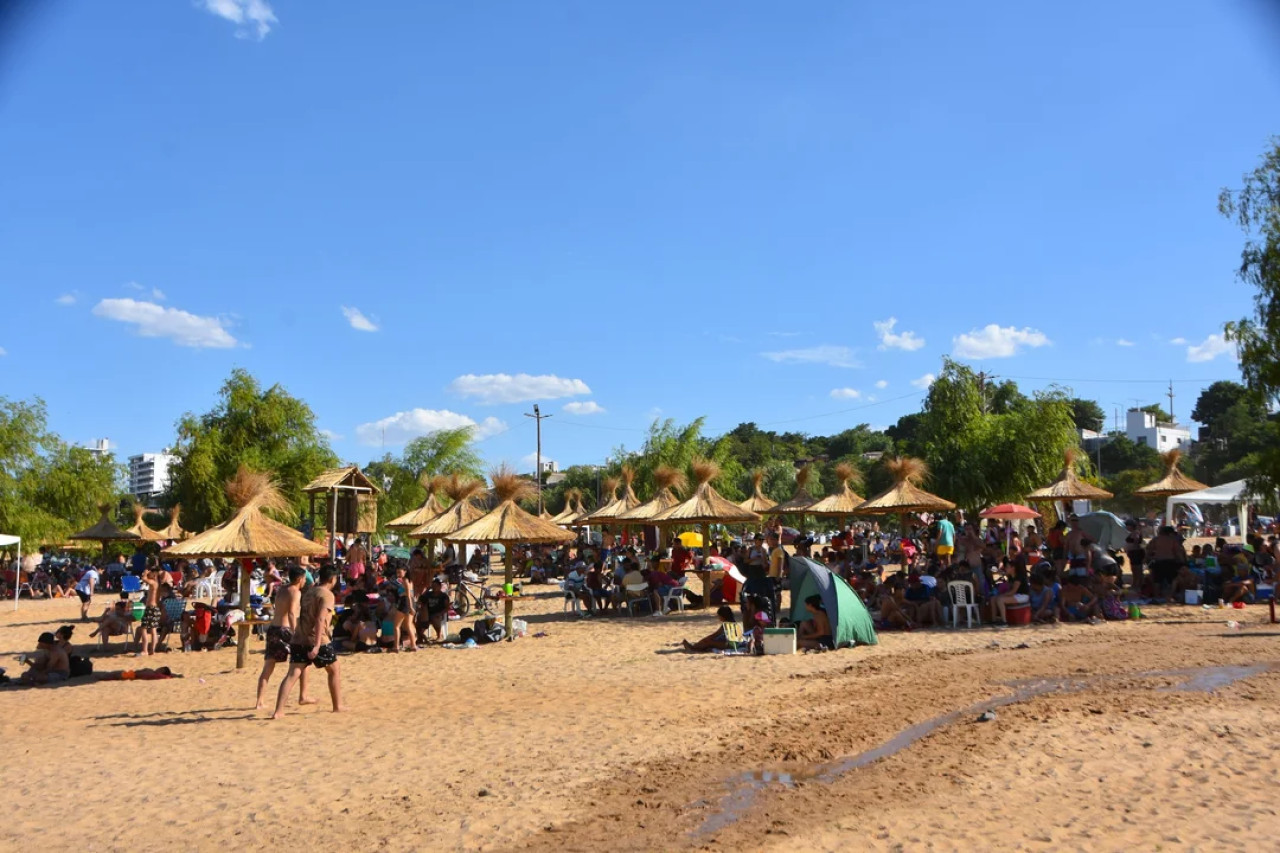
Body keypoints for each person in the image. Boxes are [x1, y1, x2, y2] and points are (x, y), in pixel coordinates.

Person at [272, 566, 343, 718]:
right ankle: (338, 706)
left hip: (299, 637)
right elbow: (320, 619)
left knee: (292, 675)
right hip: (317, 639)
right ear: (332, 579)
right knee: (334, 670)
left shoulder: (309, 592)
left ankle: (278, 711)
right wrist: (317, 645)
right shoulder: (327, 595)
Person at [256, 567, 313, 710]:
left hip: (273, 629)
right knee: (303, 661)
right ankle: (303, 696)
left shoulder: (282, 589)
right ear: (300, 579)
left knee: (268, 666)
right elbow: (292, 614)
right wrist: (296, 633)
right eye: (304, 579)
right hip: (285, 629)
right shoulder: (295, 592)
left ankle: (259, 701)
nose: (305, 581)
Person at [1147, 526, 1188, 601]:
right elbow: (1177, 552)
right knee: (1172, 580)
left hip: (1158, 561)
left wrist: (1150, 557)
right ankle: (1169, 596)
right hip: (1170, 561)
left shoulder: (1156, 539)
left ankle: (1157, 597)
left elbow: (1149, 550)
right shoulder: (1172, 540)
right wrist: (1183, 562)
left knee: (1157, 580)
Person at [416, 578, 451, 643]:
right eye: (433, 586)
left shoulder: (444, 596)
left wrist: (440, 613)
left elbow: (447, 607)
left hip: (438, 613)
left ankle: (439, 635)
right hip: (427, 613)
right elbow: (420, 599)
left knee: (434, 618)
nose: (434, 588)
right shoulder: (428, 594)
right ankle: (420, 636)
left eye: (436, 586)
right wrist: (427, 590)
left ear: (440, 586)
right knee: (419, 618)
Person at [137, 568, 161, 656]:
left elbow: (143, 579)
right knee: (153, 630)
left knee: (143, 629)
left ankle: (145, 650)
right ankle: (152, 650)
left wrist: (145, 573)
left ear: (154, 575)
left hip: (150, 608)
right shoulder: (157, 584)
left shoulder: (153, 583)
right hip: (155, 608)